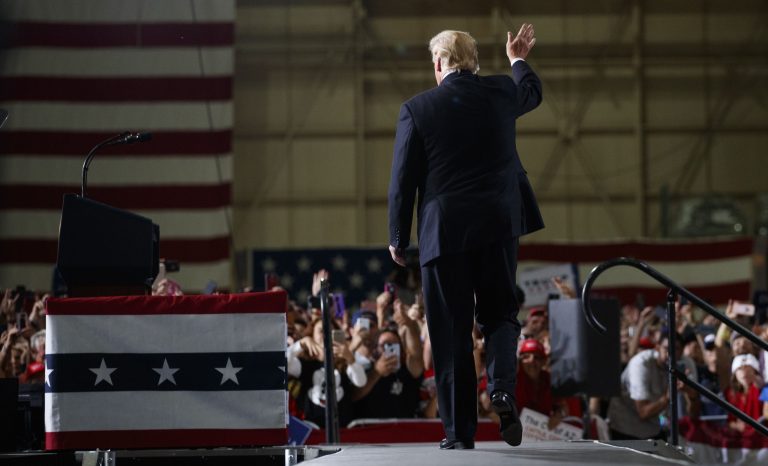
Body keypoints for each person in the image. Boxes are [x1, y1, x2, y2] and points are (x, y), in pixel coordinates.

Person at [387, 24, 543, 449]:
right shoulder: (500, 93)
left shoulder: (418, 109)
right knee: (500, 313)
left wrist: (398, 238)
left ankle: (459, 433)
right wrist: (517, 59)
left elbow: (403, 181)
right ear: (473, 62)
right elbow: (531, 90)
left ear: (438, 63)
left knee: (451, 329)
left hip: (445, 233)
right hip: (498, 225)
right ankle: (502, 390)